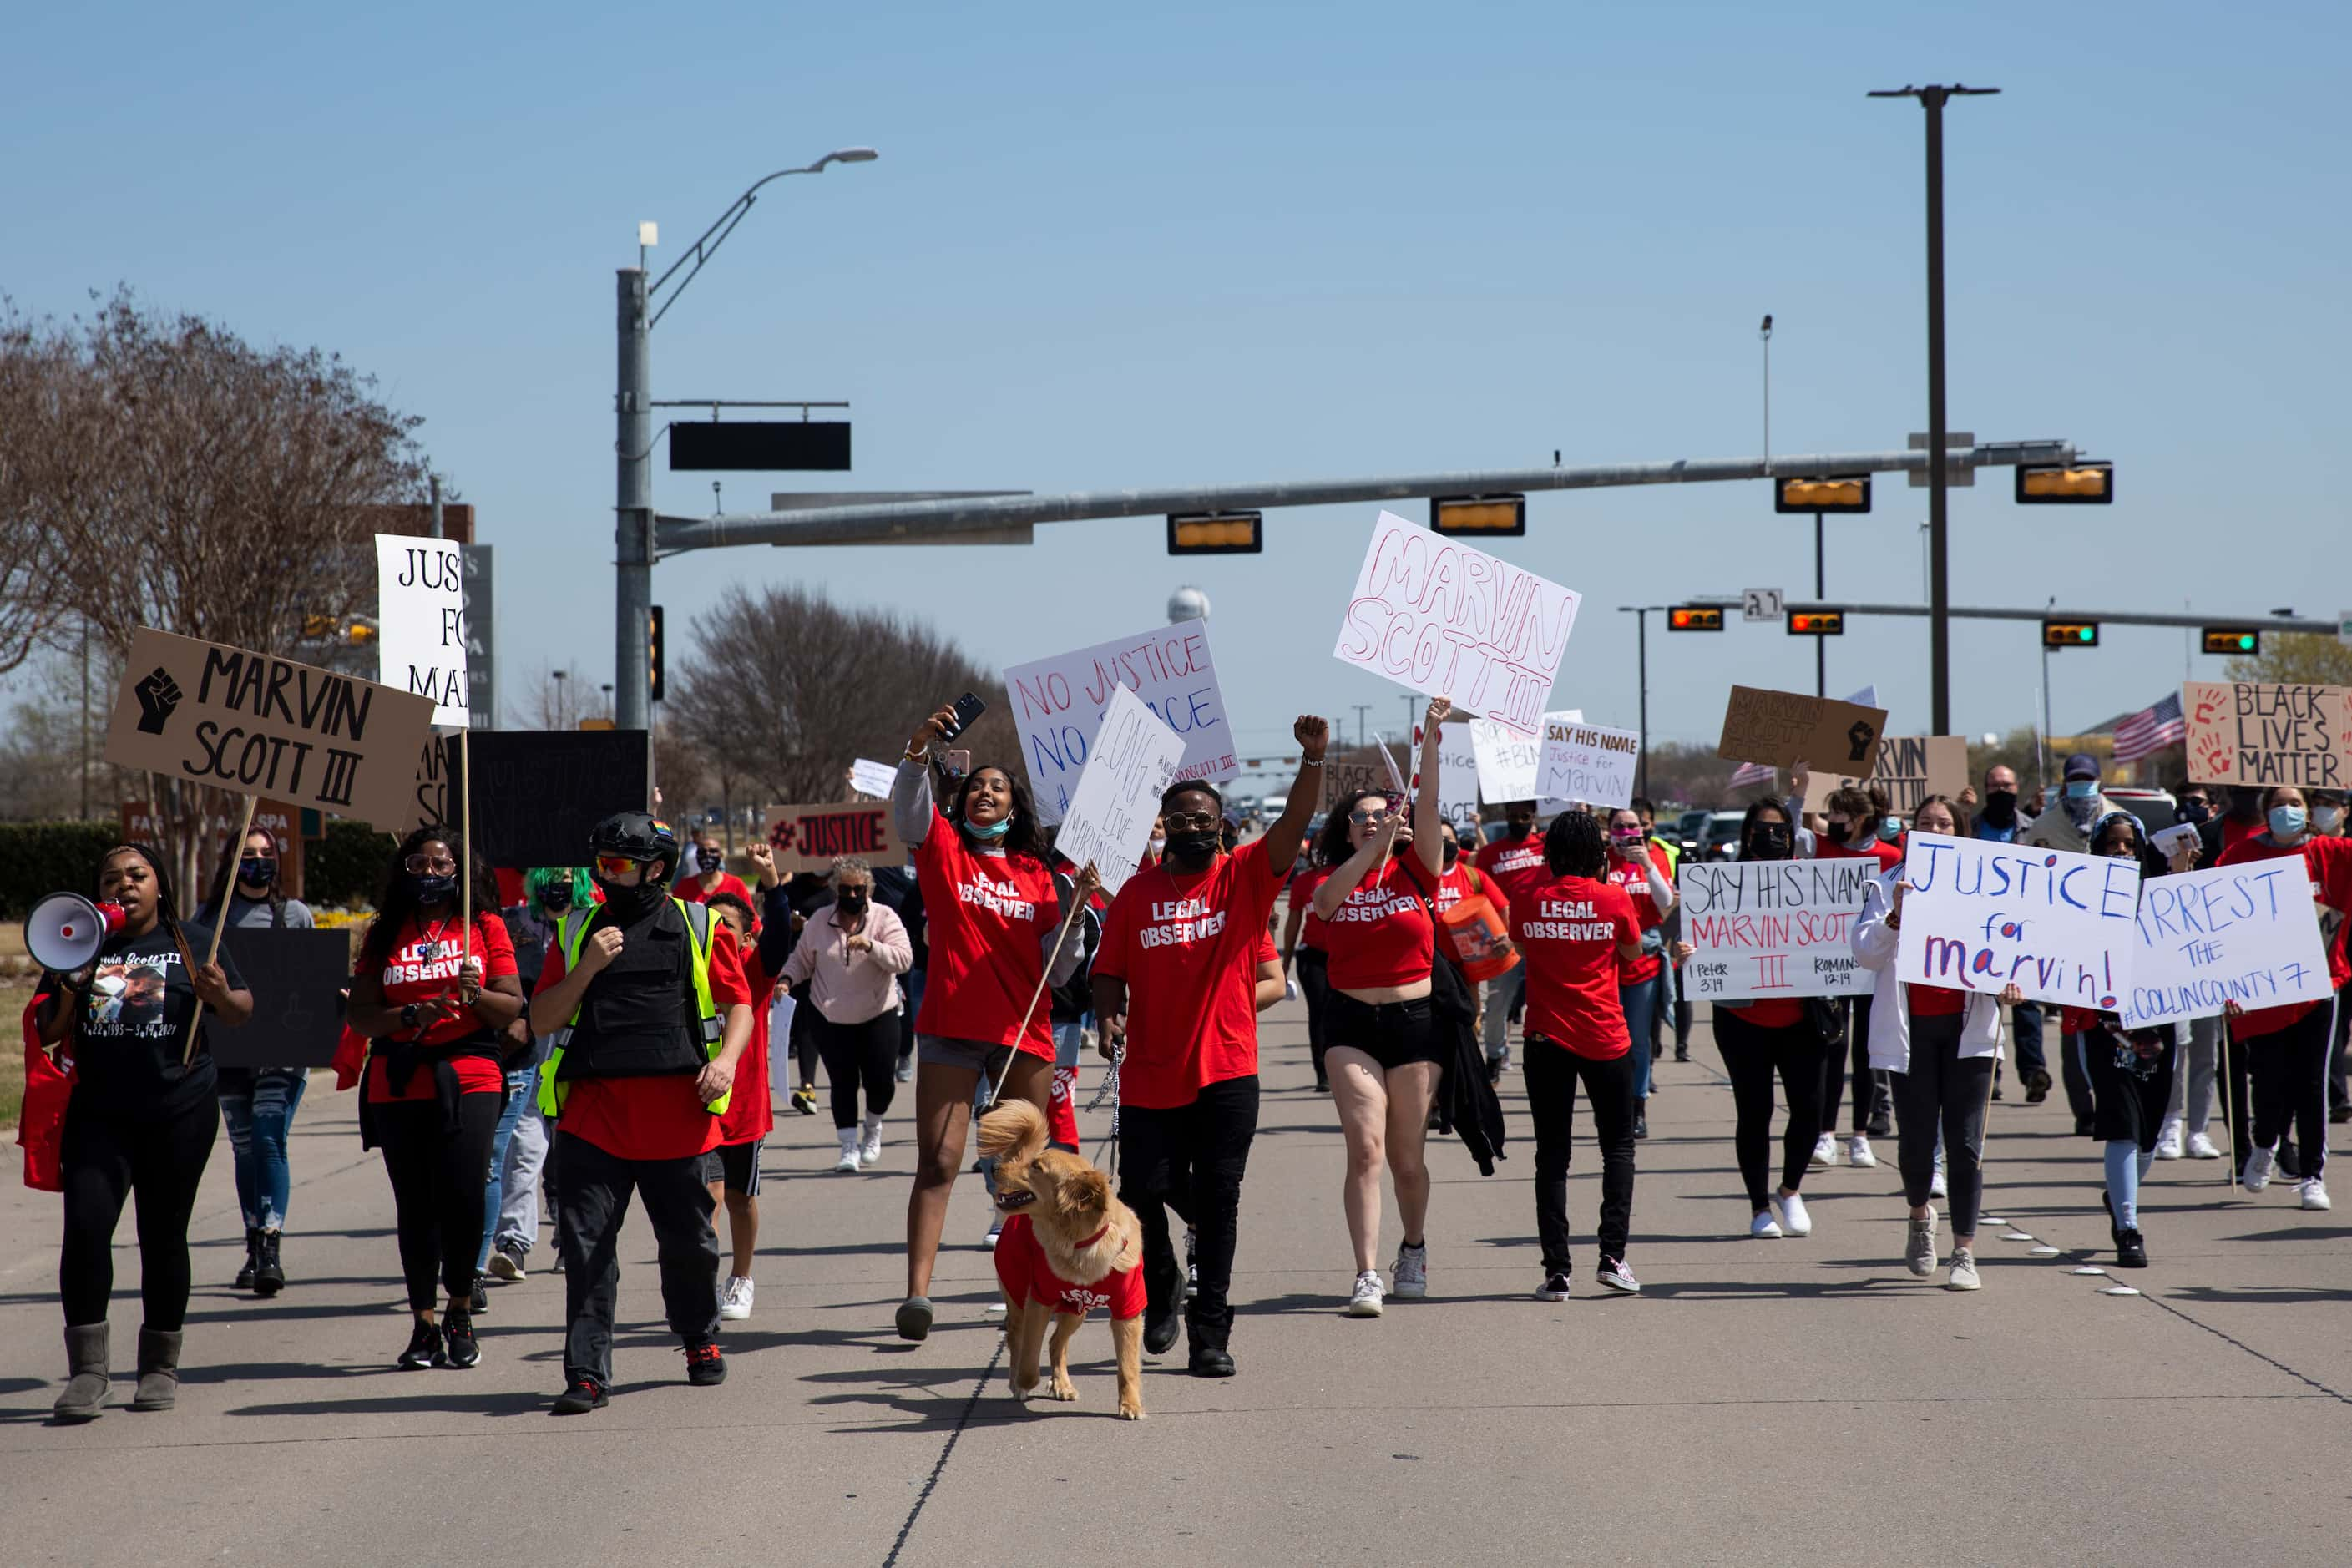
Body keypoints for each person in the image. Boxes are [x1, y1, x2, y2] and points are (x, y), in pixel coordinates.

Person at [1094, 721, 1321, 1375]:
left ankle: (1210, 1332)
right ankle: (1161, 1277)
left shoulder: (1244, 878)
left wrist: (1311, 760)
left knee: (1219, 1200)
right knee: (1142, 1189)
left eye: (1204, 819)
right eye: (1180, 818)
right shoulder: (1136, 893)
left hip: (1225, 1069)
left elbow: (1293, 821)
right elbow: (1108, 970)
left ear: (1223, 829)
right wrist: (1109, 1016)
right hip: (1150, 1072)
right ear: (1161, 826)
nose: (1192, 827)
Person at [528, 811, 756, 1413]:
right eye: (600, 863)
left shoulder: (699, 924)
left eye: (618, 864)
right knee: (587, 1250)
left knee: (690, 1247)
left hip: (678, 1119)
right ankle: (586, 1374)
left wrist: (727, 1062)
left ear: (654, 869)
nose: (605, 874)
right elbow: (542, 1018)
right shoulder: (576, 930)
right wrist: (587, 966)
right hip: (592, 1121)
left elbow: (740, 1005)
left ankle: (700, 1339)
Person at [889, 701, 1097, 1342]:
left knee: (1023, 1175)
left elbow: (1058, 973)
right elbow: (908, 807)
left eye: (997, 788)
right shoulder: (942, 847)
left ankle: (1032, 1290)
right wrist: (917, 748)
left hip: (1023, 1037)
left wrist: (1076, 912)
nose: (984, 791)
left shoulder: (1042, 875)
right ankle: (917, 1296)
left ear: (1014, 808)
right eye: (977, 785)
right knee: (940, 1161)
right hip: (951, 1027)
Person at [39, 843, 252, 1422]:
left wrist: (218, 996)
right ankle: (89, 1372)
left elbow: (240, 1009)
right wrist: (68, 983)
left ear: (159, 885)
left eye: (138, 875)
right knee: (85, 1231)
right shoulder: (78, 941)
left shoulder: (194, 941)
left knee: (163, 1236)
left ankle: (159, 1365)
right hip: (100, 1116)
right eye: (112, 877)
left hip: (179, 1111)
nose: (125, 885)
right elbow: (49, 1032)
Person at [343, 826, 525, 1371]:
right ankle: (423, 1322)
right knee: (416, 1204)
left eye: (441, 865)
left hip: (470, 1071)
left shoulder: (485, 926)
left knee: (465, 1194)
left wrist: (477, 992)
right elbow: (360, 1014)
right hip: (400, 1077)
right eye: (418, 865)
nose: (429, 874)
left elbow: (512, 1008)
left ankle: (460, 1308)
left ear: (460, 872)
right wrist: (406, 1016)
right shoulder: (385, 932)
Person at [1851, 795, 2025, 1292]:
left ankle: (1964, 1252)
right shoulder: (1887, 886)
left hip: (1970, 1032)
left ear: (1960, 831)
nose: (1935, 829)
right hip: (1910, 1034)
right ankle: (1920, 1216)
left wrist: (2013, 983)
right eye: (1925, 823)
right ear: (1910, 832)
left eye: (1945, 823)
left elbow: (2013, 943)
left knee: (1966, 1146)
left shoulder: (1989, 886)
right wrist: (1895, 918)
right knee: (1916, 1143)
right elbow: (1864, 953)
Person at [1312, 704, 1452, 1316]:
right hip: (1349, 1025)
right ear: (1347, 830)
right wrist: (1370, 849)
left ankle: (1413, 1247)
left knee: (1406, 1159)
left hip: (1414, 1025)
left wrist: (1431, 741)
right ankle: (1366, 1274)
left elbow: (1427, 802)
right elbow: (1323, 907)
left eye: (1380, 815)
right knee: (1364, 1149)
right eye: (1361, 818)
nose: (1372, 821)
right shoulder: (1329, 879)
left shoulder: (1420, 869)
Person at [1513, 808, 1646, 1297]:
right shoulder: (1613, 897)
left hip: (1546, 1038)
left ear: (1549, 852)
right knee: (1617, 1149)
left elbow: (1519, 944)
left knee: (1552, 1155)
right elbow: (1631, 954)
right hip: (1605, 1038)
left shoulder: (1527, 894)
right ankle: (1613, 1257)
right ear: (1597, 852)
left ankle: (1556, 1272)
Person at [2216, 785, 2352, 1210]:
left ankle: (2313, 1175)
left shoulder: (2331, 853)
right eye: (2278, 804)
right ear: (2264, 811)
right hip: (2261, 991)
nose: (2287, 811)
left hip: (2317, 987)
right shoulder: (2241, 854)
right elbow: (2211, 913)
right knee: (2270, 1079)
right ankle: (2264, 1144)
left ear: (2308, 811)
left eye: (2295, 804)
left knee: (2312, 1083)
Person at [2070, 812, 2194, 1266]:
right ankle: (2128, 1228)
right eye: (2111, 844)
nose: (2120, 851)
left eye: (2127, 845)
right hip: (2103, 1027)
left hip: (2158, 1026)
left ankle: (2121, 1194)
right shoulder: (2078, 899)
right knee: (2122, 1124)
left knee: (2149, 1135)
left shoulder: (2164, 898)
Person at [195, 826, 315, 1297]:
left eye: (267, 853)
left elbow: (309, 978)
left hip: (281, 1053)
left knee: (269, 1139)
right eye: (248, 853)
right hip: (227, 1050)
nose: (259, 861)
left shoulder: (295, 915)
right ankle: (251, 1240)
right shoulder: (208, 919)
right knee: (244, 1147)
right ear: (230, 861)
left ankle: (271, 1244)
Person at [1712, 799, 1828, 1239]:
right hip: (1744, 1020)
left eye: (1780, 829)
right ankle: (1759, 1207)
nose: (1771, 836)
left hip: (1803, 1017)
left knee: (1809, 1111)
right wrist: (1688, 953)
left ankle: (1790, 1189)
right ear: (1747, 835)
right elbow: (1705, 940)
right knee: (1754, 1112)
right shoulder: (1722, 882)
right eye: (1763, 829)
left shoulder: (1813, 879)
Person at [484, 867, 590, 1281]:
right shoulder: (513, 923)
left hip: (574, 1050)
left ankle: (570, 1236)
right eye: (550, 874)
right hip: (526, 1053)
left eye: (566, 874)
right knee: (524, 1149)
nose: (558, 883)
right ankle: (514, 1241)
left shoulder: (594, 924)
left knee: (569, 1151)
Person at [1793, 770, 1903, 1166]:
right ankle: (1826, 1132)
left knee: (1866, 1051)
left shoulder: (1891, 858)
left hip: (1874, 962)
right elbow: (1793, 835)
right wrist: (1799, 794)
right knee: (1832, 1046)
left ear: (1857, 819)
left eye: (1838, 815)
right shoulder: (1822, 848)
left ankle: (1859, 1135)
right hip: (1830, 964)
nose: (1832, 822)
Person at [781, 854, 912, 1174]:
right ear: (835, 890)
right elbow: (801, 960)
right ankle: (848, 1146)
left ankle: (873, 1125)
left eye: (858, 890)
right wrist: (785, 980)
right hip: (830, 1016)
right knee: (842, 1082)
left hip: (877, 1013)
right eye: (844, 890)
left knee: (881, 1083)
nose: (851, 896)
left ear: (869, 890)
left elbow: (903, 959)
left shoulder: (885, 917)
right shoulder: (819, 920)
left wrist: (871, 947)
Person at [703, 855, 792, 1319]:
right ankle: (700, 1281)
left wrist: (773, 883)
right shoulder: (690, 971)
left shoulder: (753, 968)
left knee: (738, 1198)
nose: (717, 933)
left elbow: (780, 936)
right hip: (696, 1108)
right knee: (705, 1198)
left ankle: (740, 1278)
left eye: (727, 927)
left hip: (743, 1110)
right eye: (709, 924)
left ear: (746, 938)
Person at [1961, 764, 2048, 1104]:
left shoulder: (2032, 828)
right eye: (1994, 786)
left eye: (2007, 785)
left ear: (2017, 788)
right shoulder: (1972, 828)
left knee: (2027, 1004)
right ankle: (1990, 1074)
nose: (2001, 790)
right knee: (1985, 1002)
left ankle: (2033, 1073)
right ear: (1984, 790)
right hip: (1981, 929)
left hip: (2024, 928)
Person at [2152, 786, 2225, 1161]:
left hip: (2210, 967)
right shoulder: (2160, 846)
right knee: (2176, 1050)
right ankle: (2170, 1126)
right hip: (2174, 969)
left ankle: (2199, 1130)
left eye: (2198, 802)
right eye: (2185, 801)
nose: (2190, 808)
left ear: (2212, 808)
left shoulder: (2221, 846)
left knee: (2206, 1054)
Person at [1601, 807, 1677, 1140]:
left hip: (1643, 962)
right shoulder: (1601, 859)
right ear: (1610, 829)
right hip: (1607, 963)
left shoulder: (1655, 856)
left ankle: (1638, 1105)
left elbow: (1664, 902)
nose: (1628, 830)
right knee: (1609, 1041)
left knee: (1639, 1041)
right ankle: (1613, 1104)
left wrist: (1646, 865)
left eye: (1633, 825)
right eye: (1620, 826)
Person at [1474, 799, 1549, 1079]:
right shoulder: (1491, 853)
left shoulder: (1547, 847)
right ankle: (1494, 1055)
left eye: (1525, 815)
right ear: (1505, 815)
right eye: (1513, 815)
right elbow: (1479, 897)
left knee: (1547, 1005)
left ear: (1534, 816)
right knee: (1496, 1006)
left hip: (1542, 939)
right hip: (1504, 941)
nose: (1519, 820)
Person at [1281, 843, 1334, 1091]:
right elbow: (1293, 921)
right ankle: (1322, 1073)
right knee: (1320, 1013)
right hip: (1312, 957)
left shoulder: (1348, 874)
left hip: (1345, 956)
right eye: (1316, 848)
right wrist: (1286, 960)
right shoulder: (1304, 882)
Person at [675, 832, 753, 907]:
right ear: (696, 856)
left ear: (720, 855)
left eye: (713, 851)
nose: (707, 855)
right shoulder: (684, 887)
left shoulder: (736, 885)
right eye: (702, 852)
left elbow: (750, 918)